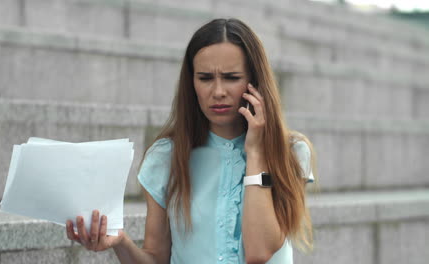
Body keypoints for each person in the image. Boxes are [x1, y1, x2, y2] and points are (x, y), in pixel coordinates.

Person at [65, 18, 316, 264]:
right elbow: (155, 259)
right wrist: (121, 242)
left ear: (255, 83)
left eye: (231, 77)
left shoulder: (291, 152)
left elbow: (259, 252)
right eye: (205, 78)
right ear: (191, 81)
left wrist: (256, 153)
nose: (218, 92)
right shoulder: (167, 156)